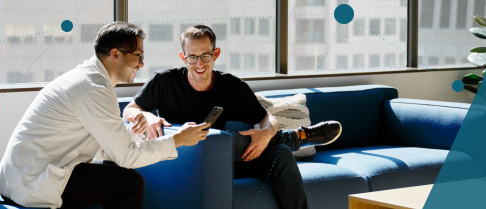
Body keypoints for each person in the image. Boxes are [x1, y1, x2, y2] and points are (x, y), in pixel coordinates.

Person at [0, 22, 210, 209]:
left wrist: (130, 133)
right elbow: (126, 157)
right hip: (30, 185)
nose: (141, 63)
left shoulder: (91, 80)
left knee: (114, 173)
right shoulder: (93, 88)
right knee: (130, 183)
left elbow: (107, 144)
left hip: (27, 177)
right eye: (138, 56)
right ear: (115, 54)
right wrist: (178, 139)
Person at [122, 25, 342, 209]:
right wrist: (147, 116)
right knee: (214, 138)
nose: (199, 63)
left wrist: (266, 133)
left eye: (205, 56)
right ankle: (293, 137)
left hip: (220, 160)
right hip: (176, 158)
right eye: (192, 57)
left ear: (215, 54)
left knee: (280, 154)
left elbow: (268, 119)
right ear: (183, 57)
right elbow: (128, 110)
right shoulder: (164, 81)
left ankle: (286, 141)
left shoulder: (232, 86)